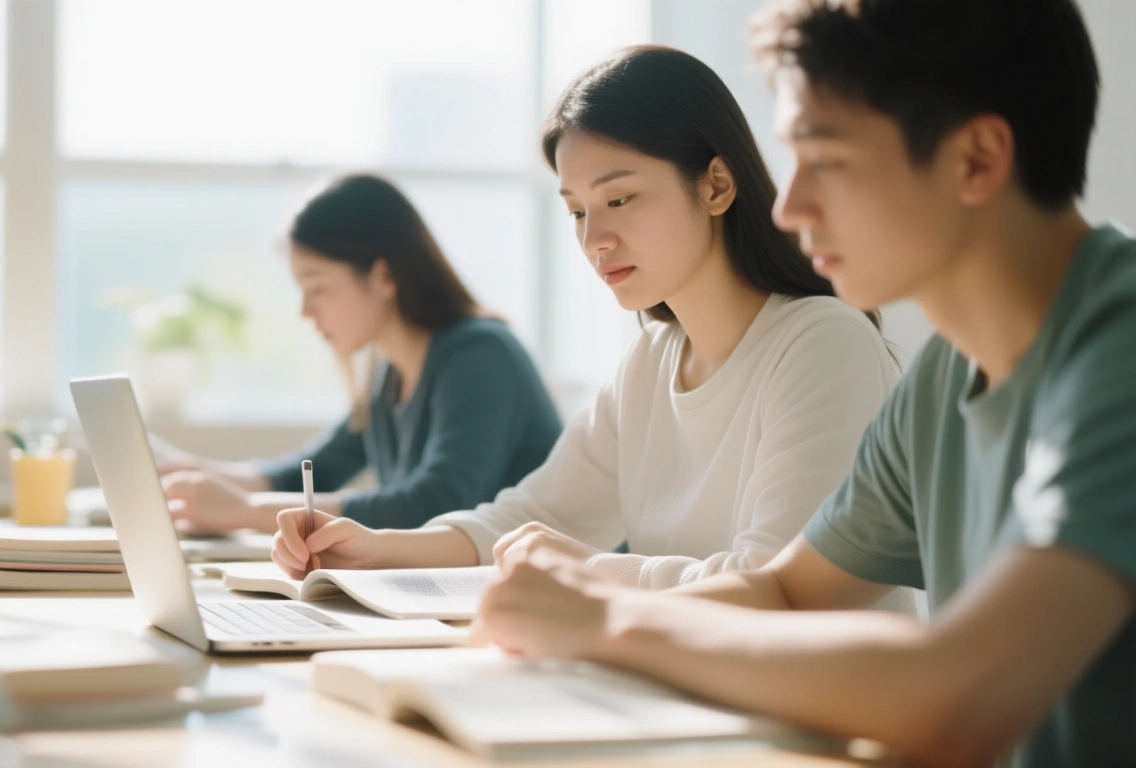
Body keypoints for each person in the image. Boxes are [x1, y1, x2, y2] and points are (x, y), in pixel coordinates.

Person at [470, 2, 1135, 766]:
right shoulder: (945, 374)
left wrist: (608, 621)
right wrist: (591, 606)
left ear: (976, 160)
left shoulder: (1120, 346)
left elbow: (962, 700)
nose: (789, 206)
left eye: (828, 161)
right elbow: (785, 592)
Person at [272, 46, 909, 602]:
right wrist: (377, 548)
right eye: (577, 211)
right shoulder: (651, 360)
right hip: (687, 699)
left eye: (619, 199)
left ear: (716, 185)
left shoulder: (823, 344)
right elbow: (532, 514)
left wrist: (591, 570)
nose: (594, 239)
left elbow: (775, 587)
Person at [156, 174, 563, 534]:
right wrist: (196, 473)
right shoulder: (389, 373)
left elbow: (435, 505)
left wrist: (245, 511)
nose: (305, 312)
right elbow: (319, 469)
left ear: (384, 275)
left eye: (317, 289)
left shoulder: (479, 355)